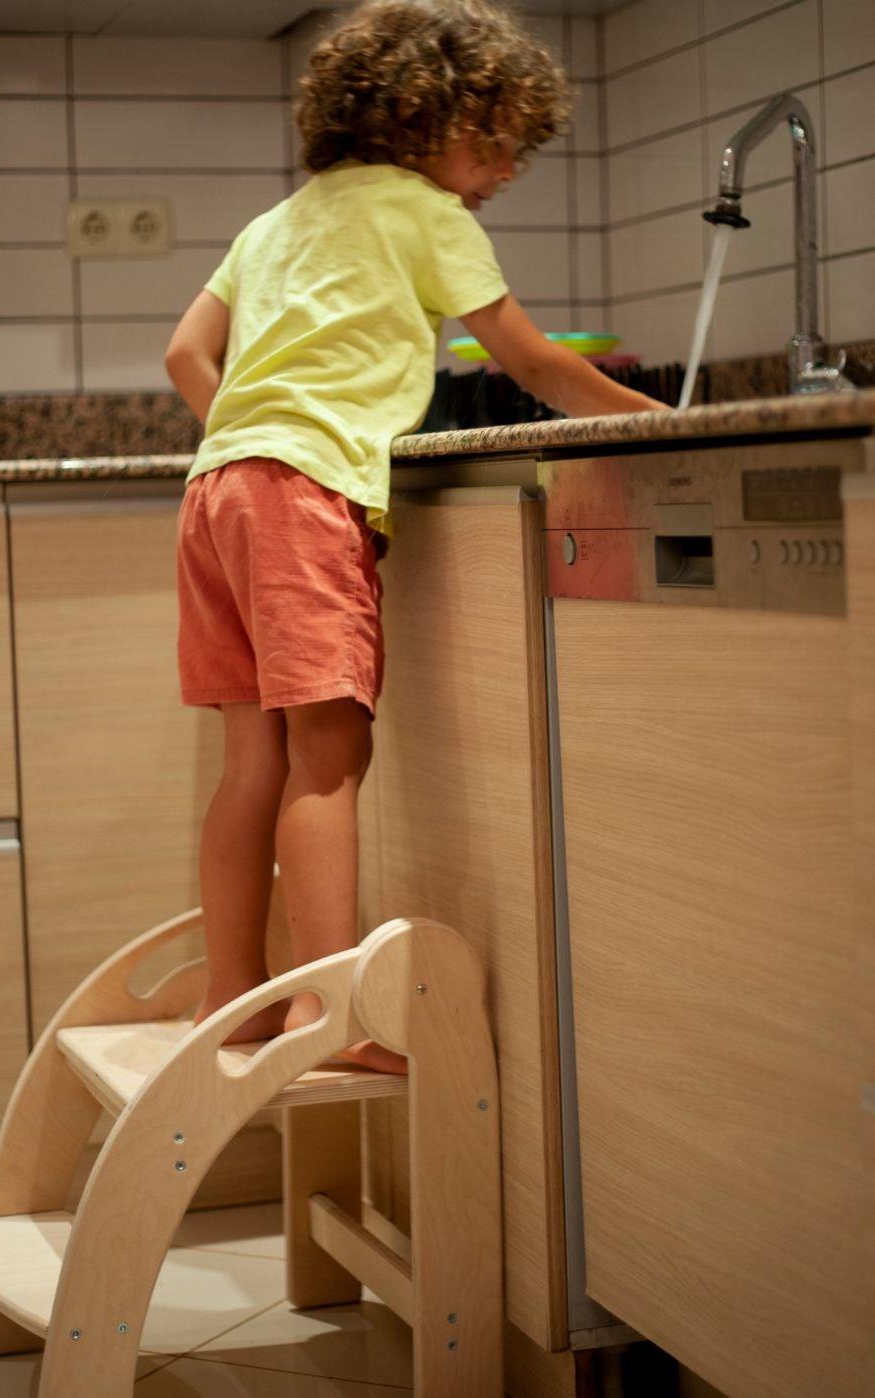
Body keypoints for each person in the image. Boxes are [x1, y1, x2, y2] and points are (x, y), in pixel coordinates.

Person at [163, 0, 661, 1069]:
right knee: (328, 759)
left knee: (250, 760)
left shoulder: (273, 223)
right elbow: (527, 361)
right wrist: (668, 426)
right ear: (416, 117)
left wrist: (254, 434)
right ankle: (324, 1019)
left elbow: (182, 356)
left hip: (214, 495)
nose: (505, 170)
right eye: (494, 139)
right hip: (300, 501)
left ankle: (233, 999)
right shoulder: (427, 215)